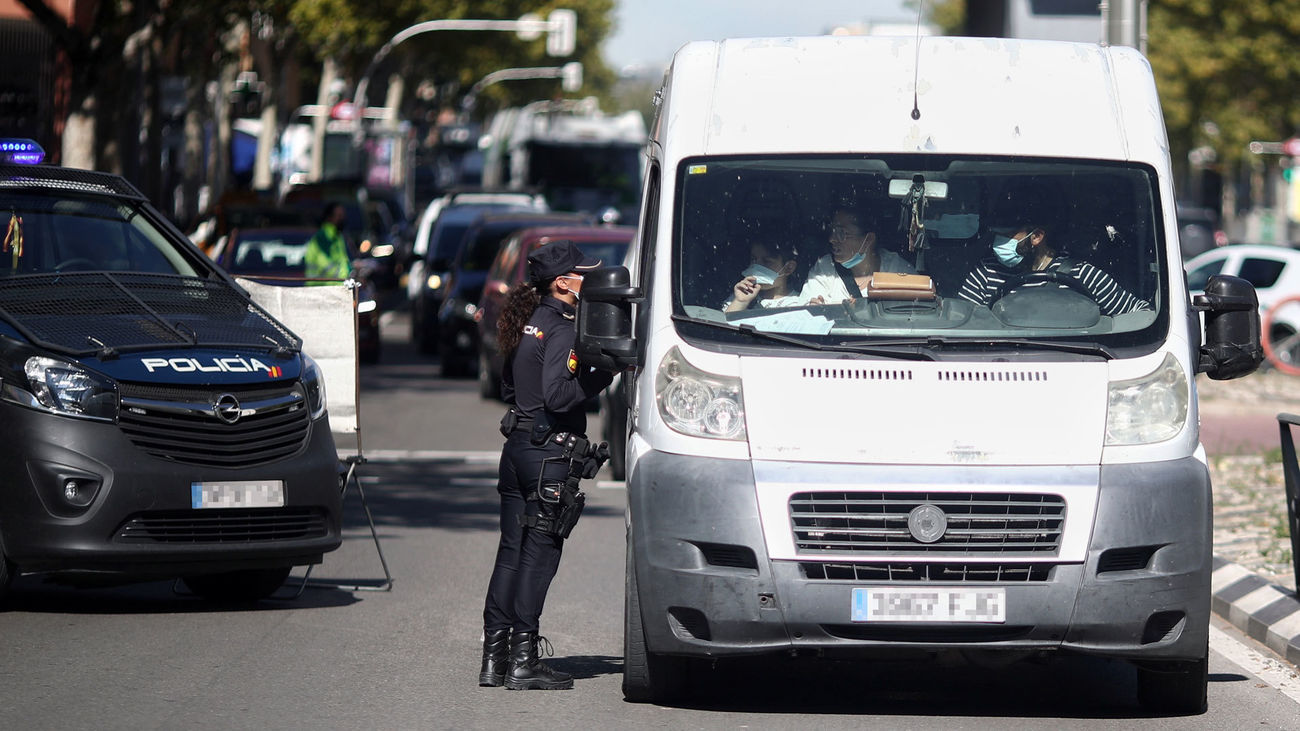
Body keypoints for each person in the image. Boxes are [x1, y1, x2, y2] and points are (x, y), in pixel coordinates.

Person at [479, 239, 615, 691]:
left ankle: (494, 660)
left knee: (511, 556)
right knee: (538, 559)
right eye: (583, 274)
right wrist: (601, 374)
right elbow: (558, 395)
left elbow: (510, 390)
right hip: (548, 457)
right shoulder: (560, 329)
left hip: (517, 449)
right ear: (563, 283)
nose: (589, 281)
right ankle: (523, 661)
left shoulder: (524, 322)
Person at [956, 218, 1152, 315]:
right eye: (997, 236)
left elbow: (1139, 312)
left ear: (1037, 236)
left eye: (1008, 236)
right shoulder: (987, 271)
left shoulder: (1081, 274)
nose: (998, 243)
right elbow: (961, 318)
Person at [798, 198, 915, 305]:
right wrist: (813, 307)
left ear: (868, 239)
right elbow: (804, 313)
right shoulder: (824, 269)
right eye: (832, 231)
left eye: (841, 233)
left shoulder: (899, 273)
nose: (832, 239)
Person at [723, 236, 801, 312]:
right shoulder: (741, 294)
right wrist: (740, 302)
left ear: (789, 268)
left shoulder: (799, 304)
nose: (757, 266)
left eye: (767, 261)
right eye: (754, 259)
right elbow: (722, 324)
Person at [303, 202, 351, 285]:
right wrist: (345, 276)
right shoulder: (323, 236)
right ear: (329, 217)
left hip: (334, 287)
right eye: (339, 216)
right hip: (321, 288)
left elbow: (343, 260)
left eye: (342, 215)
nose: (342, 218)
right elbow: (324, 263)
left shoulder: (337, 236)